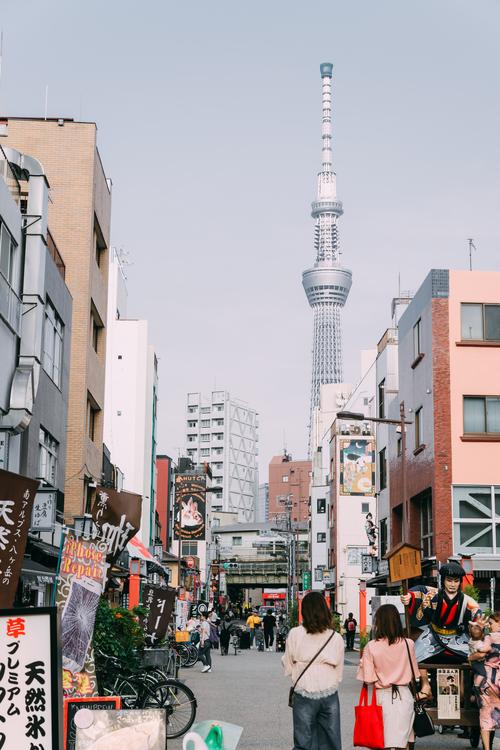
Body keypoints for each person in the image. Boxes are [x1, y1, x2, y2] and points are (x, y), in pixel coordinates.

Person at [400, 560, 482, 697]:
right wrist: (409, 596)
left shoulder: (468, 601)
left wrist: (478, 628)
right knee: (414, 655)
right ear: (443, 580)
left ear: (459, 582)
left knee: (477, 657)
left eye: (456, 581)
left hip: (457, 638)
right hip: (433, 636)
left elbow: (477, 619)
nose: (452, 584)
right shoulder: (433, 595)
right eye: (449, 580)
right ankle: (426, 686)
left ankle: (467, 690)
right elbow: (420, 591)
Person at [282, 591, 344, 750]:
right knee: (330, 741)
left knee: (303, 741)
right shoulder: (335, 637)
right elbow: (339, 670)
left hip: (303, 691)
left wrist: (296, 674)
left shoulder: (295, 634)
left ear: (305, 612)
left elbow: (287, 663)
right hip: (329, 692)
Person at [357, 603, 419, 750]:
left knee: (381, 740)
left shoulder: (371, 646)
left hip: (382, 698)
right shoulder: (408, 644)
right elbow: (414, 674)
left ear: (379, 623)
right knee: (403, 743)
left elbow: (368, 679)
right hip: (404, 697)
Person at [469, 612, 500, 750]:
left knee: (486, 714)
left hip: (489, 680)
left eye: (492, 623)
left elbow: (482, 651)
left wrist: (470, 656)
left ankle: (487, 748)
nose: (490, 625)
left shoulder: (490, 636)